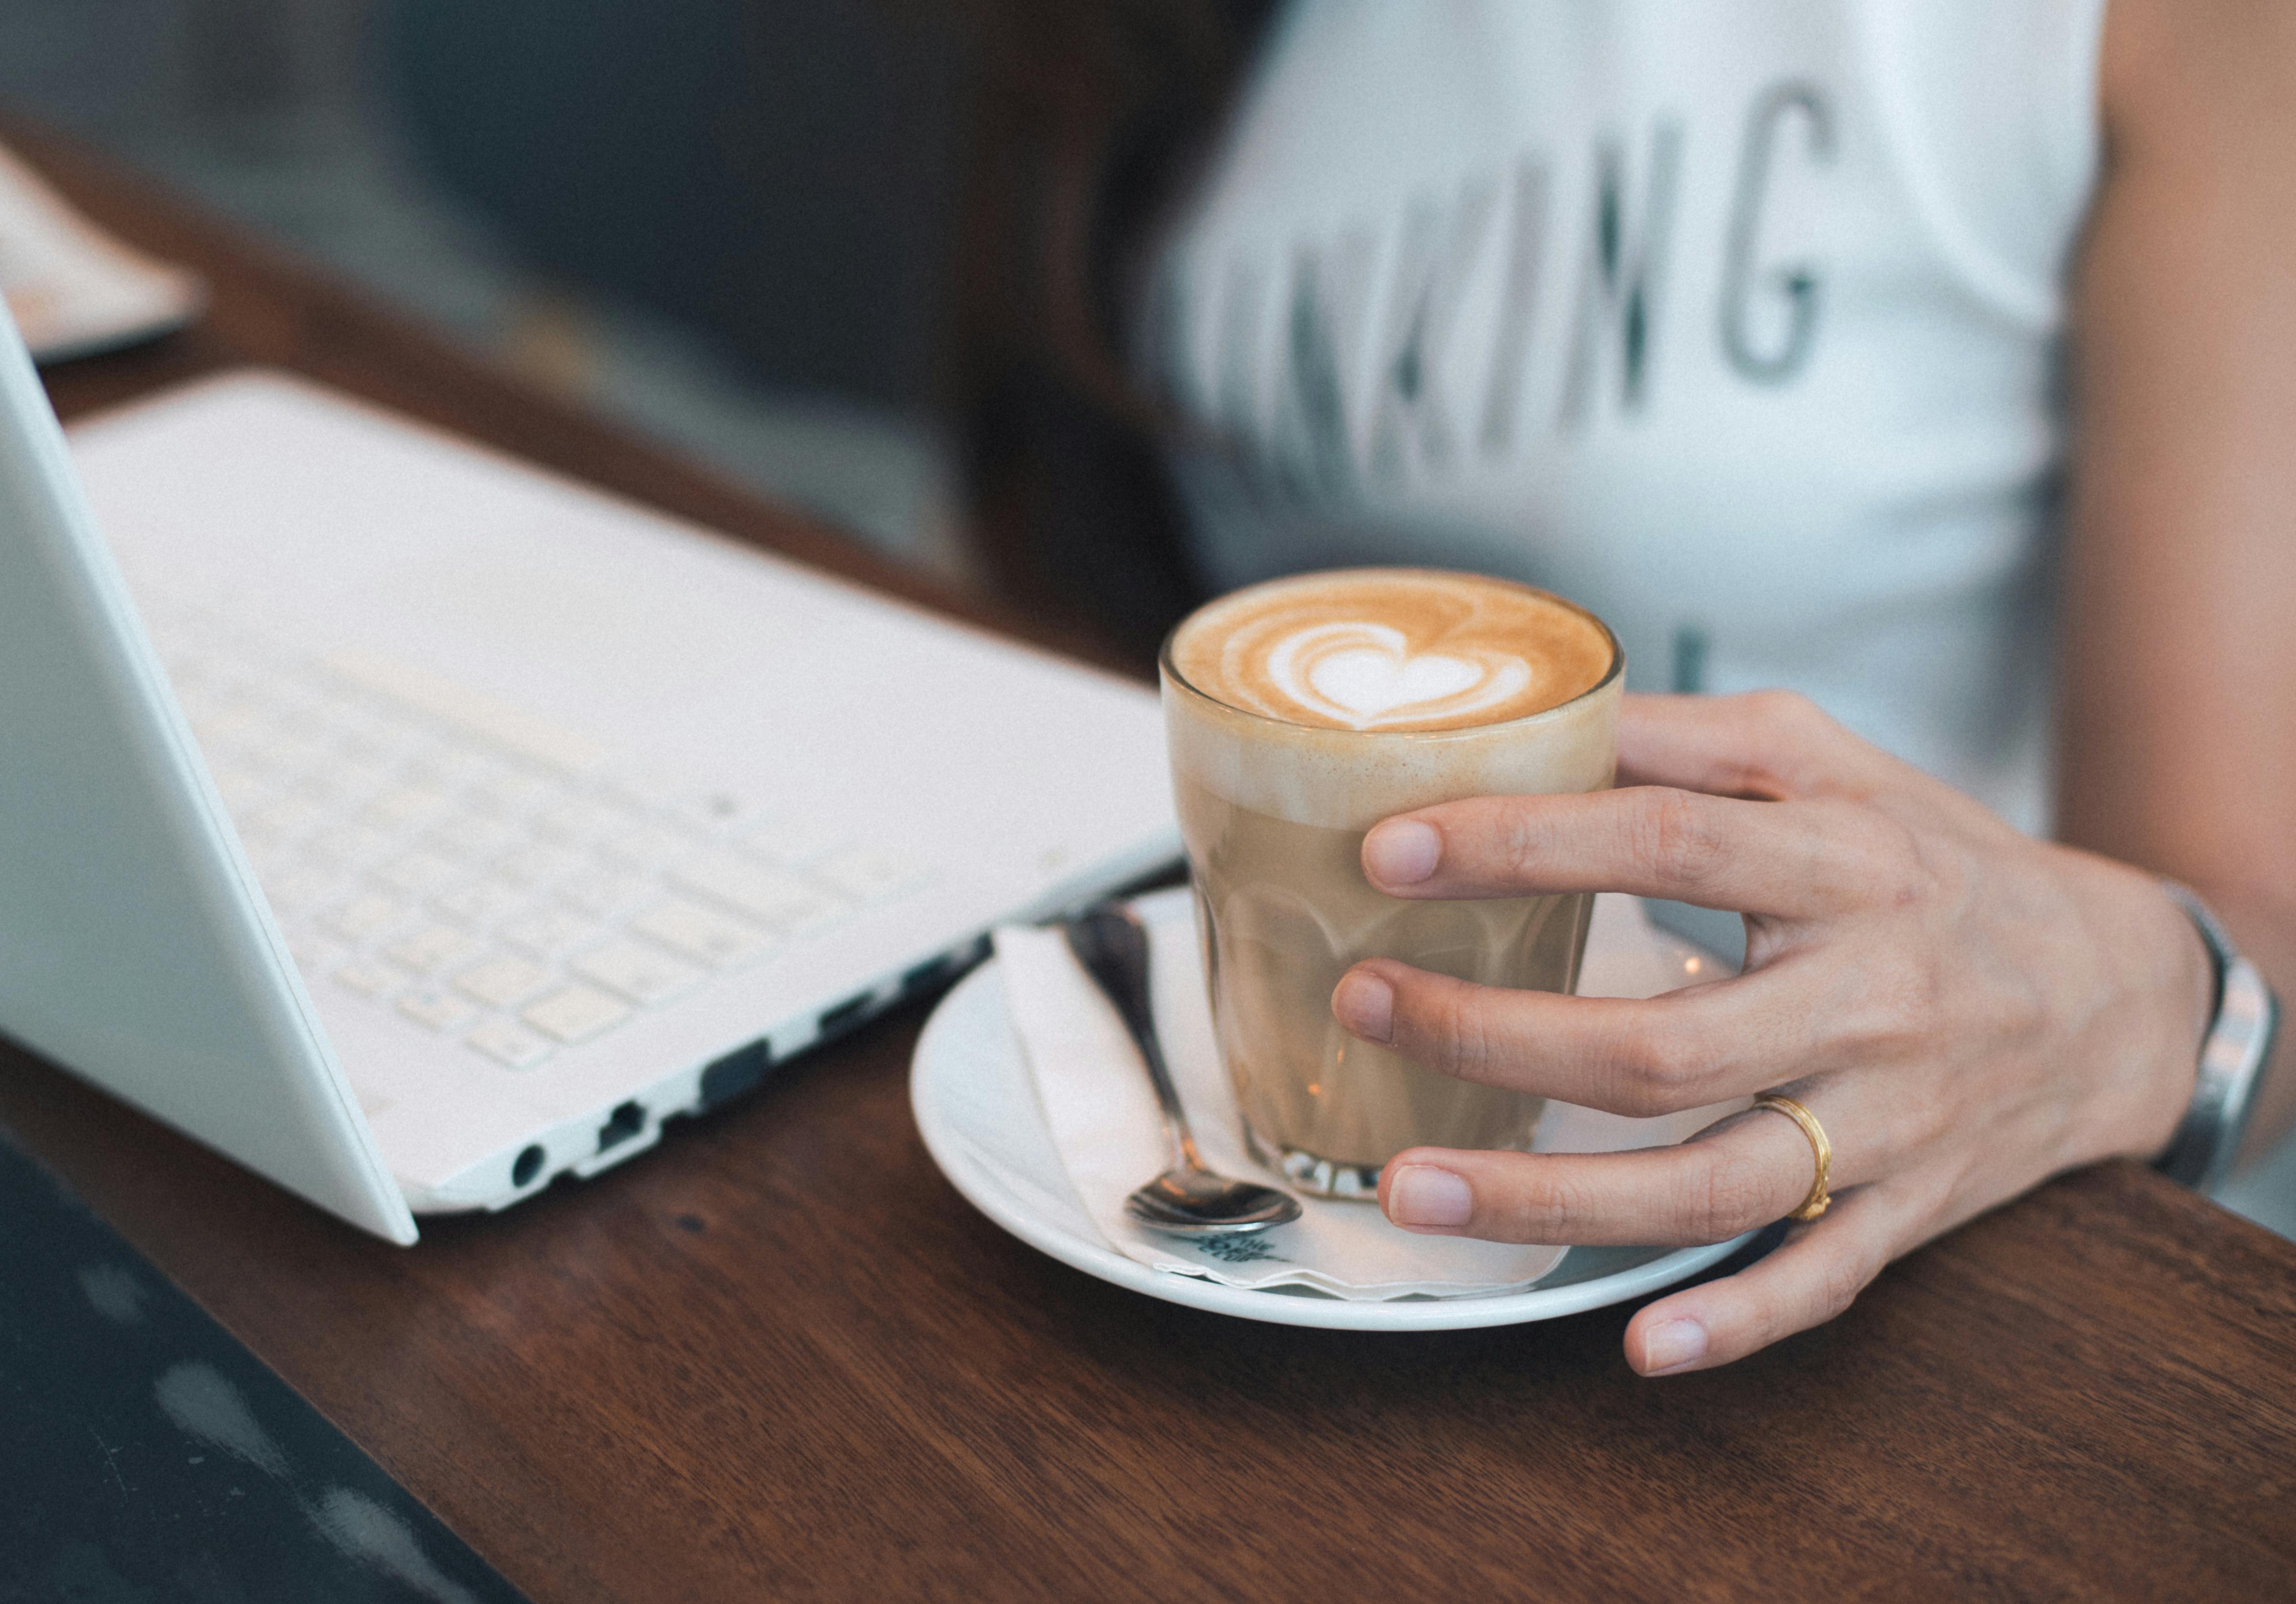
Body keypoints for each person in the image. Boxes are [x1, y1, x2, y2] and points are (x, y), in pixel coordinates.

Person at [953, 0, 2296, 1375]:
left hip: (1909, 1266)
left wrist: (2141, 996)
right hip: (1243, 1296)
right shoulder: (1151, 41)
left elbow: (2258, 921)